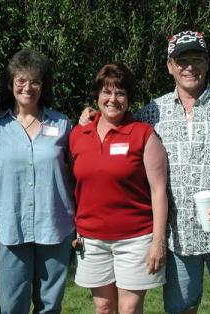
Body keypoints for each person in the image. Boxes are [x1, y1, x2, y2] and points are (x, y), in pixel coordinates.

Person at [81, 31, 210, 314]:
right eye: (181, 61)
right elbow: (115, 121)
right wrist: (92, 115)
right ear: (170, 66)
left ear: (207, 62)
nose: (189, 67)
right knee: (181, 310)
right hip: (178, 238)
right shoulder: (152, 112)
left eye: (196, 59)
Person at [70, 63, 168, 314]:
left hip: (135, 238)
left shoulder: (143, 134)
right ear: (97, 96)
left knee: (129, 308)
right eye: (107, 92)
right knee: (103, 308)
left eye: (120, 93)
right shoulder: (78, 133)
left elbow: (159, 191)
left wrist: (158, 242)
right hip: (91, 239)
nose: (113, 99)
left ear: (128, 99)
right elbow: (72, 184)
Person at [0, 48, 75, 314]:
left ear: (43, 85)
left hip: (55, 226)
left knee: (49, 306)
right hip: (9, 227)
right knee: (10, 305)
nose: (28, 87)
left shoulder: (62, 125)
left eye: (35, 81)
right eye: (21, 81)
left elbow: (77, 171)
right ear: (11, 84)